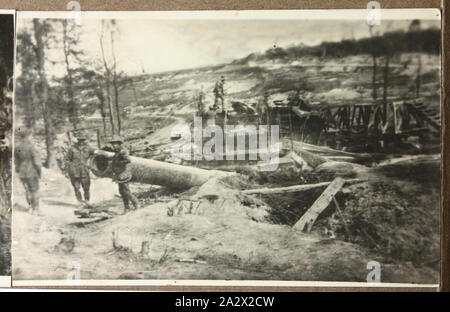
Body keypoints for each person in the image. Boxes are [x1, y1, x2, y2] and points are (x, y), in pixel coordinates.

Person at [109, 135, 140, 214]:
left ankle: (136, 204)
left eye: (115, 144)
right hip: (119, 174)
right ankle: (127, 207)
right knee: (122, 191)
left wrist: (119, 163)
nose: (113, 145)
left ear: (119, 144)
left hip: (124, 173)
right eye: (112, 144)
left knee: (126, 191)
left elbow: (128, 160)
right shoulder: (117, 152)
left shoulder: (122, 151)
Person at [14, 129, 42, 215]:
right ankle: (35, 209)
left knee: (27, 190)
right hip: (32, 171)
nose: (32, 137)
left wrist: (18, 170)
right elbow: (37, 162)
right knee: (35, 190)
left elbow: (16, 161)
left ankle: (30, 207)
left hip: (22, 172)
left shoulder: (17, 147)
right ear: (28, 136)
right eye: (31, 136)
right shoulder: (31, 147)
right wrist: (39, 172)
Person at [65, 132, 95, 204]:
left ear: (85, 140)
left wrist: (90, 162)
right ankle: (80, 201)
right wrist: (70, 167)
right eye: (80, 140)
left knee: (86, 187)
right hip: (74, 172)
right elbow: (67, 159)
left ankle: (87, 201)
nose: (81, 142)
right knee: (76, 188)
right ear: (78, 140)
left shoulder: (88, 148)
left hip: (85, 171)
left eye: (83, 140)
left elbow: (95, 154)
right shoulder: (72, 148)